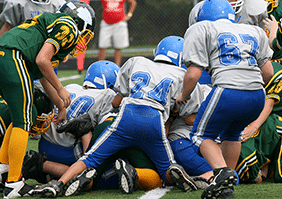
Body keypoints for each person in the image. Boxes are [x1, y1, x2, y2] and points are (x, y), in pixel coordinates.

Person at [32, 35, 199, 198]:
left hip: (124, 118)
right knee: (164, 170)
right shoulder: (183, 76)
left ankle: (59, 184)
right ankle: (166, 172)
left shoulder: (136, 61)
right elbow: (189, 118)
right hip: (153, 121)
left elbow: (115, 102)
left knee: (90, 159)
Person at [176, 0, 274, 198]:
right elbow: (268, 73)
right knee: (233, 132)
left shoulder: (203, 28)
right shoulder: (251, 30)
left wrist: (183, 96)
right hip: (257, 95)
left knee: (200, 136)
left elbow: (193, 74)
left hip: (228, 89)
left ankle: (222, 173)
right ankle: (227, 186)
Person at [0, 0, 95, 198]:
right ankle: (14, 184)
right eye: (85, 33)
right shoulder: (68, 25)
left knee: (25, 114)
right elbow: (42, 60)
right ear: (81, 23)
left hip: (7, 53)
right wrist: (61, 89)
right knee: (24, 120)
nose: (83, 40)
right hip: (13, 55)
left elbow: (44, 75)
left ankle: (3, 168)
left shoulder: (53, 28)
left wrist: (61, 107)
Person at [236, 113, 282, 184]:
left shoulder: (243, 151)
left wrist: (257, 175)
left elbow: (258, 179)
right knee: (272, 171)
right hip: (271, 141)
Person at [98, 0, 137, 66]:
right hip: (106, 22)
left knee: (118, 47)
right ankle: (100, 67)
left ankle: (117, 67)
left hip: (119, 23)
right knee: (102, 46)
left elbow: (133, 2)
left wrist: (129, 15)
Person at [0, 0, 66, 37]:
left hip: (46, 46)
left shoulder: (59, 4)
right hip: (21, 45)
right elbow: (8, 27)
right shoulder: (18, 3)